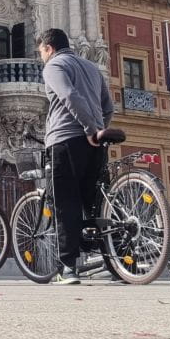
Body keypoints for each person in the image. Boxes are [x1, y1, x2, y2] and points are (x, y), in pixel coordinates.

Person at [36, 28, 114, 285]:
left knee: (64, 203)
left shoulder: (53, 66)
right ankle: (116, 261)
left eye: (41, 52)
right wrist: (98, 130)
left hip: (65, 140)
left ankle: (67, 267)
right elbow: (108, 106)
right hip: (95, 145)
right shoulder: (92, 68)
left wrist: (89, 129)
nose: (41, 57)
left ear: (48, 48)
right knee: (95, 205)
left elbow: (69, 95)